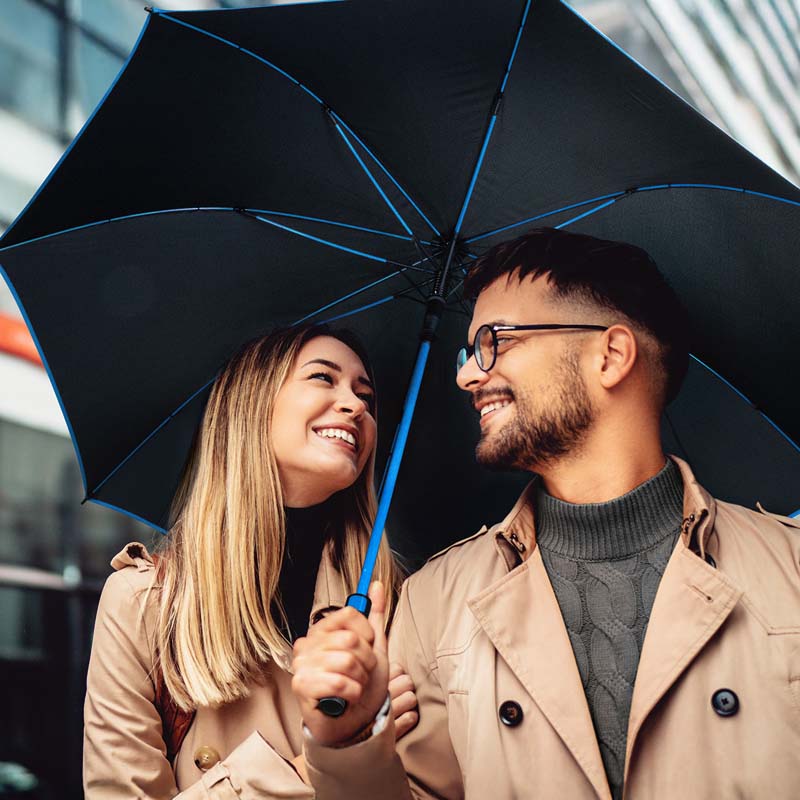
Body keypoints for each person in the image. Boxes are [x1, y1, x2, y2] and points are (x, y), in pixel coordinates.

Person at [292, 228, 800, 799]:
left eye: (493, 341)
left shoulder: (792, 568)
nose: (466, 375)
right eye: (468, 351)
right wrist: (347, 741)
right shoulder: (435, 601)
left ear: (609, 356)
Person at [83, 324, 418, 799]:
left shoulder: (401, 601)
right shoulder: (145, 603)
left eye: (365, 394)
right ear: (251, 406)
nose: (357, 405)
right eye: (324, 378)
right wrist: (315, 763)